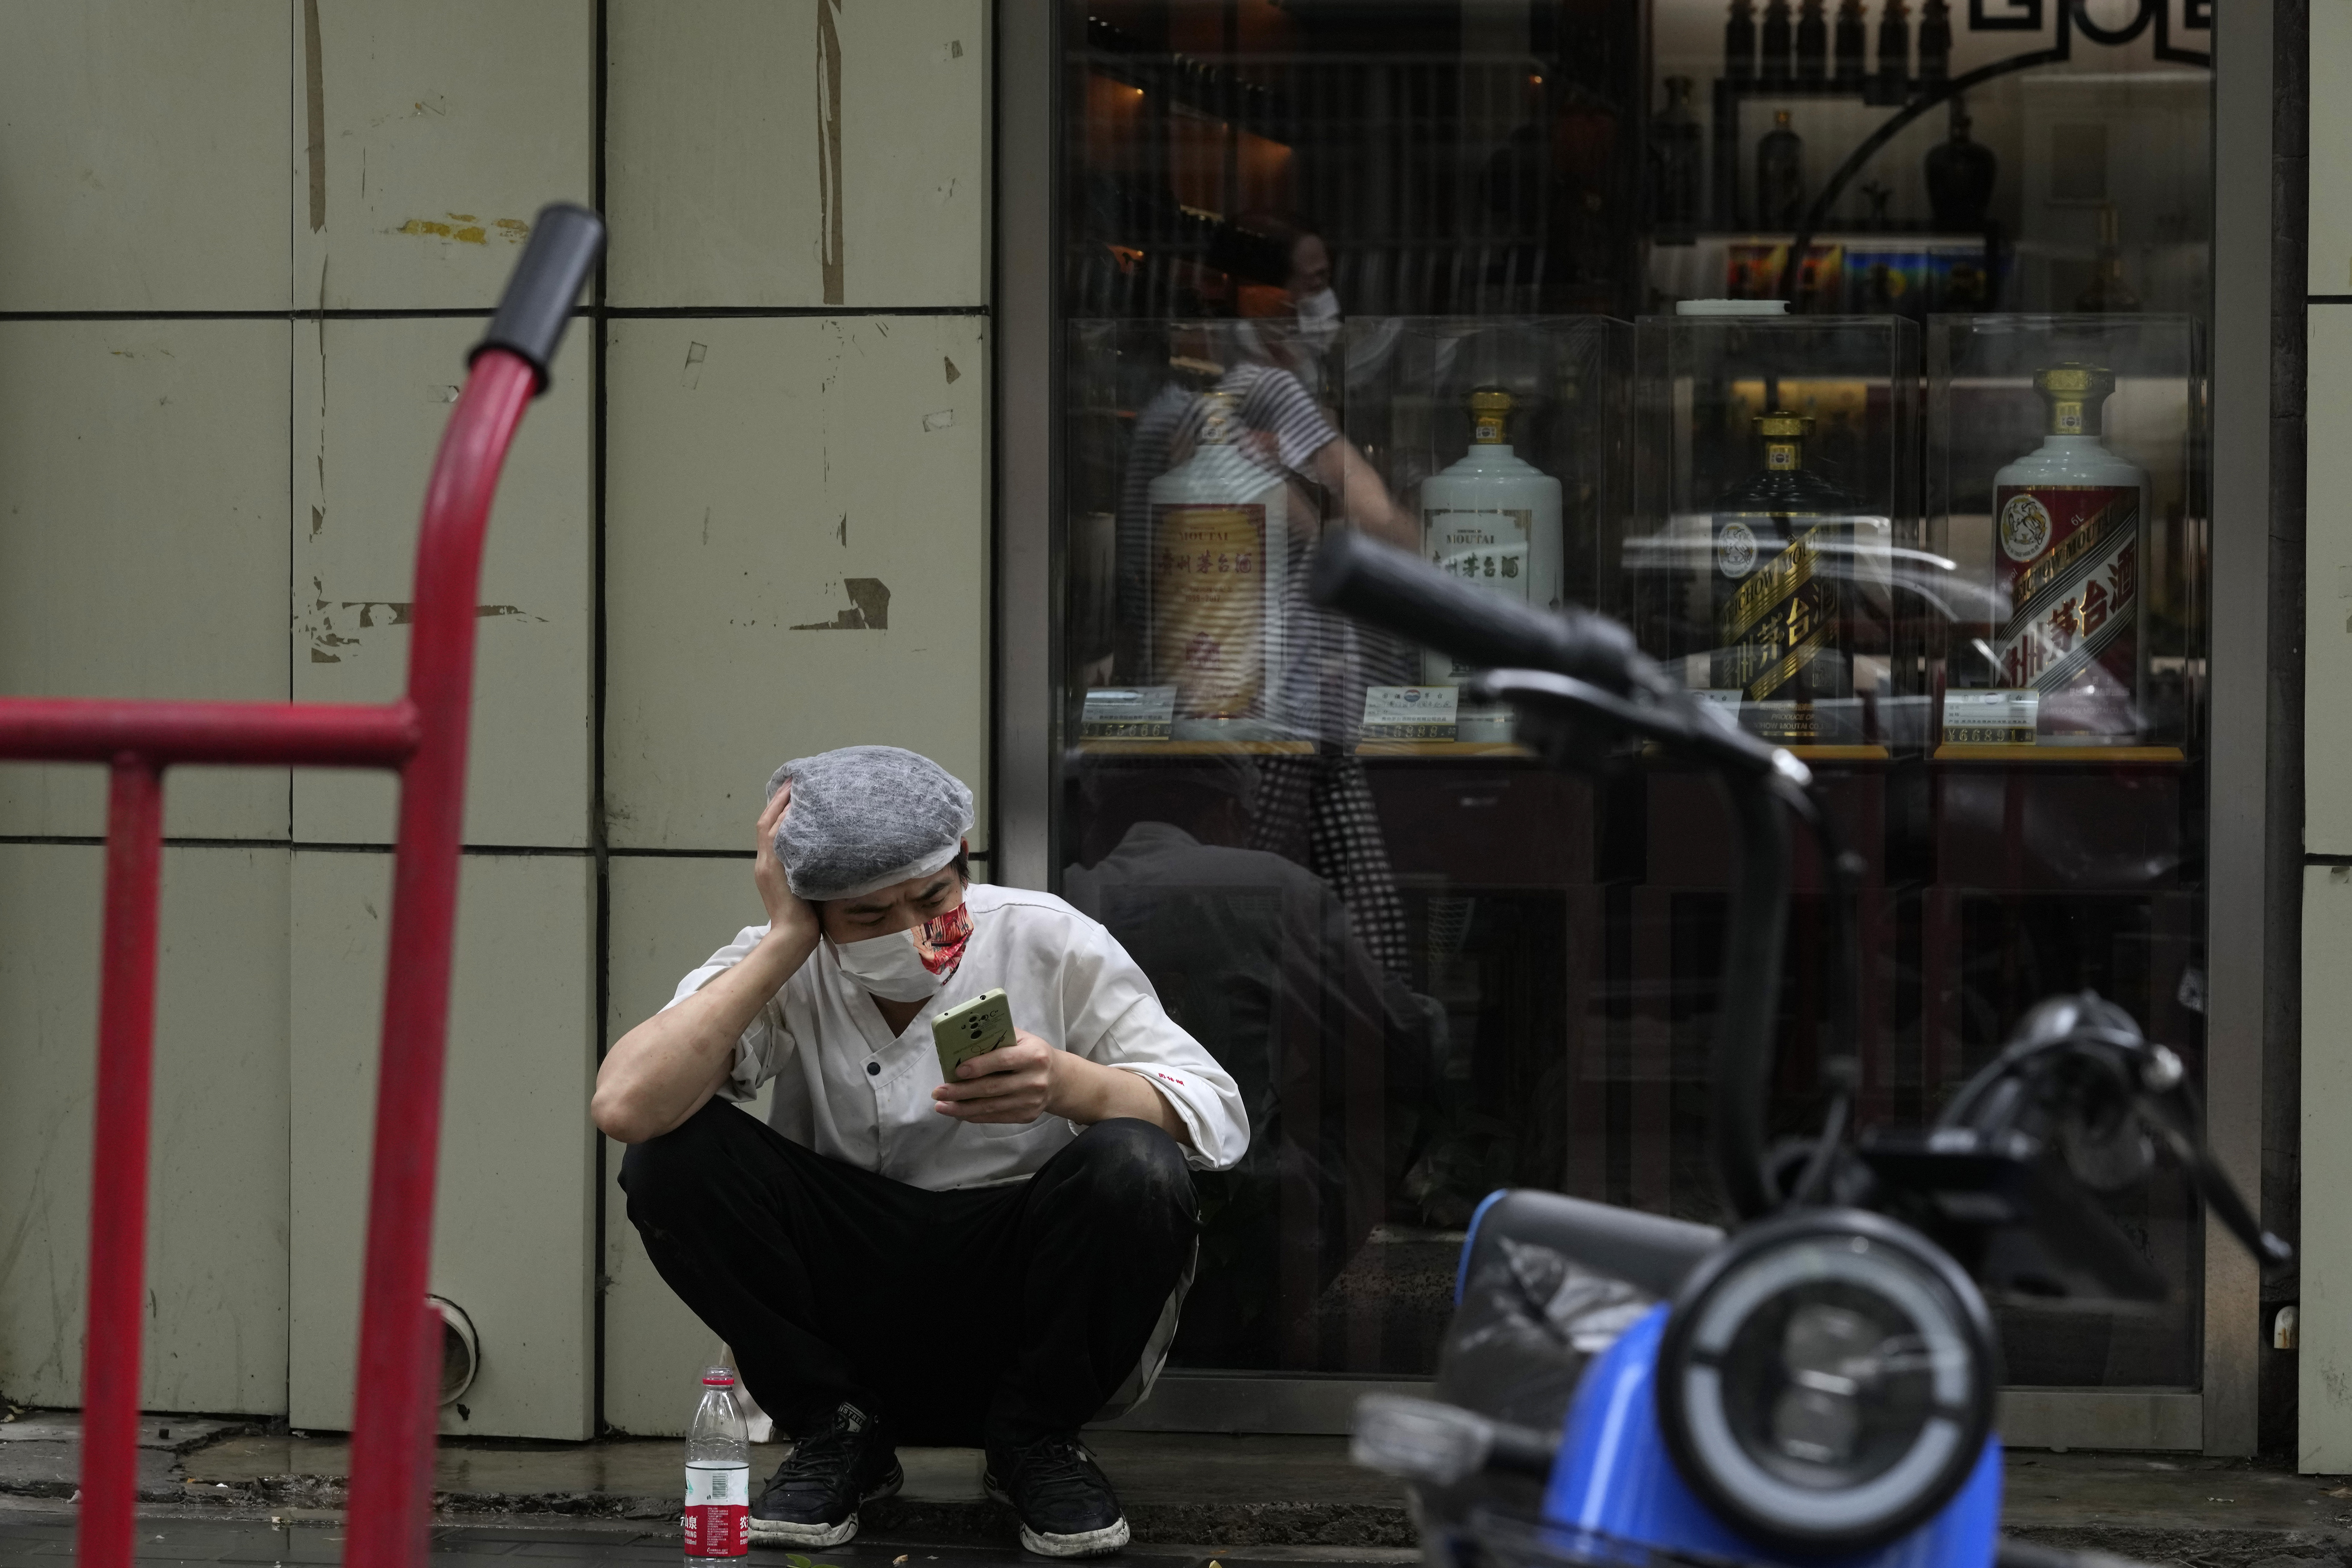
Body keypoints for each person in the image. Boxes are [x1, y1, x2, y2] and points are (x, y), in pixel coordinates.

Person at [593, 746, 1247, 1557]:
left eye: (932, 896)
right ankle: (839, 1433)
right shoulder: (785, 961)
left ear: (962, 867)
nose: (909, 931)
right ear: (817, 911)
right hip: (850, 1284)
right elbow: (626, 1106)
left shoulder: (1047, 936)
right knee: (673, 1154)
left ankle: (1036, 1440)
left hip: (1016, 1282)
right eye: (867, 916)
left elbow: (1216, 1113)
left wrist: (1071, 1084)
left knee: (1136, 1165)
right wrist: (784, 939)